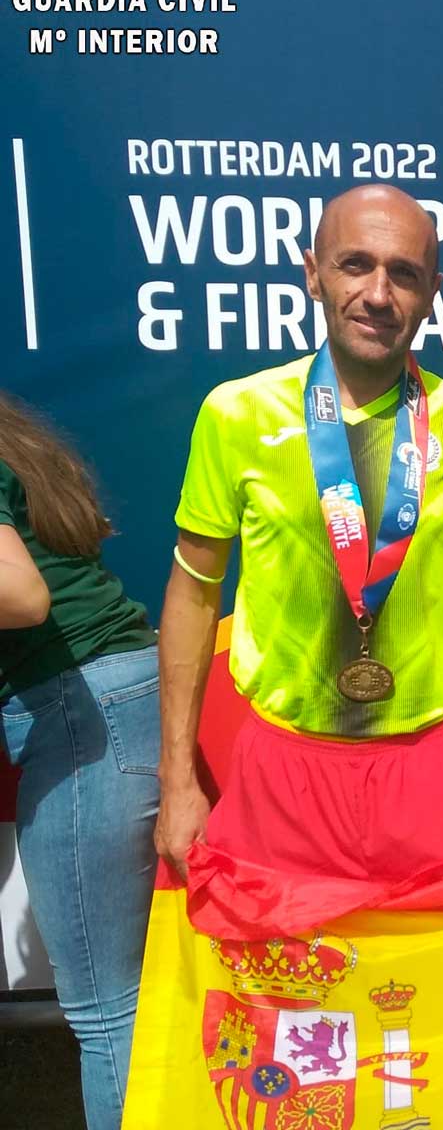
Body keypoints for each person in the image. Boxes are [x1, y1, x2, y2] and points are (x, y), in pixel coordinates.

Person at [155, 183, 443, 888]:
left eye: (403, 274)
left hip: (433, 769)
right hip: (287, 768)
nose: (378, 294)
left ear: (432, 293)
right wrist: (176, 780)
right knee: (295, 965)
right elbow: (194, 597)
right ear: (313, 273)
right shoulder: (235, 415)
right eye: (355, 264)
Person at [0, 394, 160, 1130]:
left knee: (107, 1010)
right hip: (125, 695)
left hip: (79, 714)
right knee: (143, 995)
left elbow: (21, 596)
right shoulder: (20, 445)